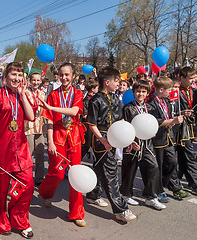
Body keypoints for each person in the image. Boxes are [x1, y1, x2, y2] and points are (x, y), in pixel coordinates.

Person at [0, 61, 35, 238]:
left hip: (21, 151)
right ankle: (1, 223)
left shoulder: (22, 95)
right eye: (13, 75)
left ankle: (19, 219)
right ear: (5, 77)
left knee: (27, 185)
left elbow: (31, 116)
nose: (17, 78)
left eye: (20, 75)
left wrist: (23, 95)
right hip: (1, 152)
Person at [38, 63, 86, 227]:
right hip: (57, 138)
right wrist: (50, 141)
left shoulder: (78, 93)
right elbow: (49, 120)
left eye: (67, 75)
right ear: (57, 76)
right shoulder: (52, 94)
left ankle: (76, 212)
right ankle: (45, 192)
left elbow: (73, 112)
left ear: (73, 76)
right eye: (61, 75)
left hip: (74, 137)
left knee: (75, 175)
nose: (64, 78)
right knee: (57, 172)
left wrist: (51, 107)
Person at [86, 67, 136, 222]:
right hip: (101, 139)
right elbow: (92, 124)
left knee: (100, 167)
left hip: (114, 136)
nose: (118, 84)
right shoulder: (95, 100)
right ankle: (121, 209)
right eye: (116, 81)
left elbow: (120, 121)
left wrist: (128, 138)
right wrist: (103, 141)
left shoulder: (115, 98)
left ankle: (93, 194)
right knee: (111, 172)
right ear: (107, 82)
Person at [119, 80, 164, 210]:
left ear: (147, 93)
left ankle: (151, 197)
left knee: (153, 167)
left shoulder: (151, 107)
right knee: (129, 169)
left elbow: (153, 123)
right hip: (132, 143)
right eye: (138, 91)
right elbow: (124, 126)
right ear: (133, 92)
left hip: (147, 143)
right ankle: (125, 194)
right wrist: (130, 141)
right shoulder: (128, 108)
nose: (140, 94)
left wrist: (152, 131)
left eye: (143, 91)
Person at [148, 77, 189, 201]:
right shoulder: (151, 103)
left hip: (169, 137)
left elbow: (169, 115)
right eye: (169, 89)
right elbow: (153, 121)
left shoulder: (165, 100)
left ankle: (163, 183)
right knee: (159, 165)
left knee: (172, 162)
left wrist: (176, 117)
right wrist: (171, 121)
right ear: (161, 89)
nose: (171, 92)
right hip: (159, 139)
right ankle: (158, 190)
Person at [176, 67, 197, 194]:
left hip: (190, 126)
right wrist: (181, 112)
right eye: (191, 78)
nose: (194, 80)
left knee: (185, 156)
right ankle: (193, 183)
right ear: (182, 78)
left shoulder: (194, 91)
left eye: (195, 77)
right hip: (179, 127)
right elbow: (169, 108)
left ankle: (180, 180)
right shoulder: (176, 91)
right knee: (185, 156)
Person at [25, 72, 47, 186]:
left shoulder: (43, 94)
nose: (36, 82)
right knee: (28, 154)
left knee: (40, 154)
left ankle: (39, 178)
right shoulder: (25, 93)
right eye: (34, 80)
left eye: (38, 80)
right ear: (30, 80)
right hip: (28, 128)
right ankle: (26, 177)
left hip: (40, 127)